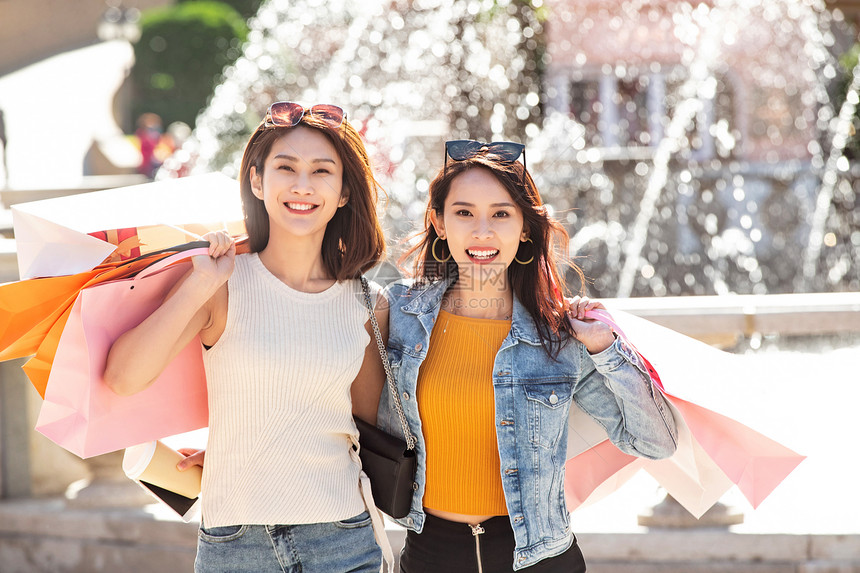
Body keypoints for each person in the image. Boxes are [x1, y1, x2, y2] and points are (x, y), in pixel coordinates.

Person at [105, 102, 388, 573]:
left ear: (342, 193)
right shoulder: (220, 283)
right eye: (286, 167)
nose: (302, 185)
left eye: (322, 171)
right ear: (257, 182)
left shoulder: (367, 302)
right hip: (235, 544)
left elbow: (362, 426)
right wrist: (198, 284)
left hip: (342, 539)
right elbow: (123, 378)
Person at [378, 140, 679, 572]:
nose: (482, 231)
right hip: (431, 556)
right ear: (439, 223)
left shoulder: (558, 335)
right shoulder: (401, 314)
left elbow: (655, 442)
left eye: (501, 213)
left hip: (539, 558)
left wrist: (606, 348)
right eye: (464, 212)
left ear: (524, 228)